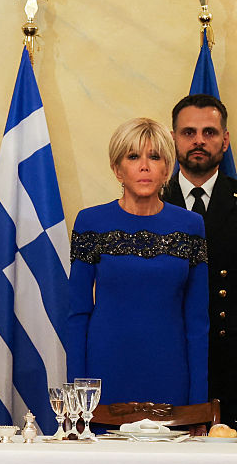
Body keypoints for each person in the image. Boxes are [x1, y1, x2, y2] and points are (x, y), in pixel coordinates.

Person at [67, 118, 207, 407]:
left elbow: (197, 322)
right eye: (133, 156)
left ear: (167, 168)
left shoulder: (192, 226)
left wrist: (197, 403)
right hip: (104, 373)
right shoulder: (90, 222)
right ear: (117, 169)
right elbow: (77, 315)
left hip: (170, 373)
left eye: (154, 157)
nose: (144, 166)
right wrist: (78, 395)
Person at [164, 94, 237, 424]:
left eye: (209, 132)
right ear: (173, 138)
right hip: (167, 358)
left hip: (231, 365)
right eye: (188, 132)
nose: (198, 141)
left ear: (225, 140)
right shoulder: (149, 202)